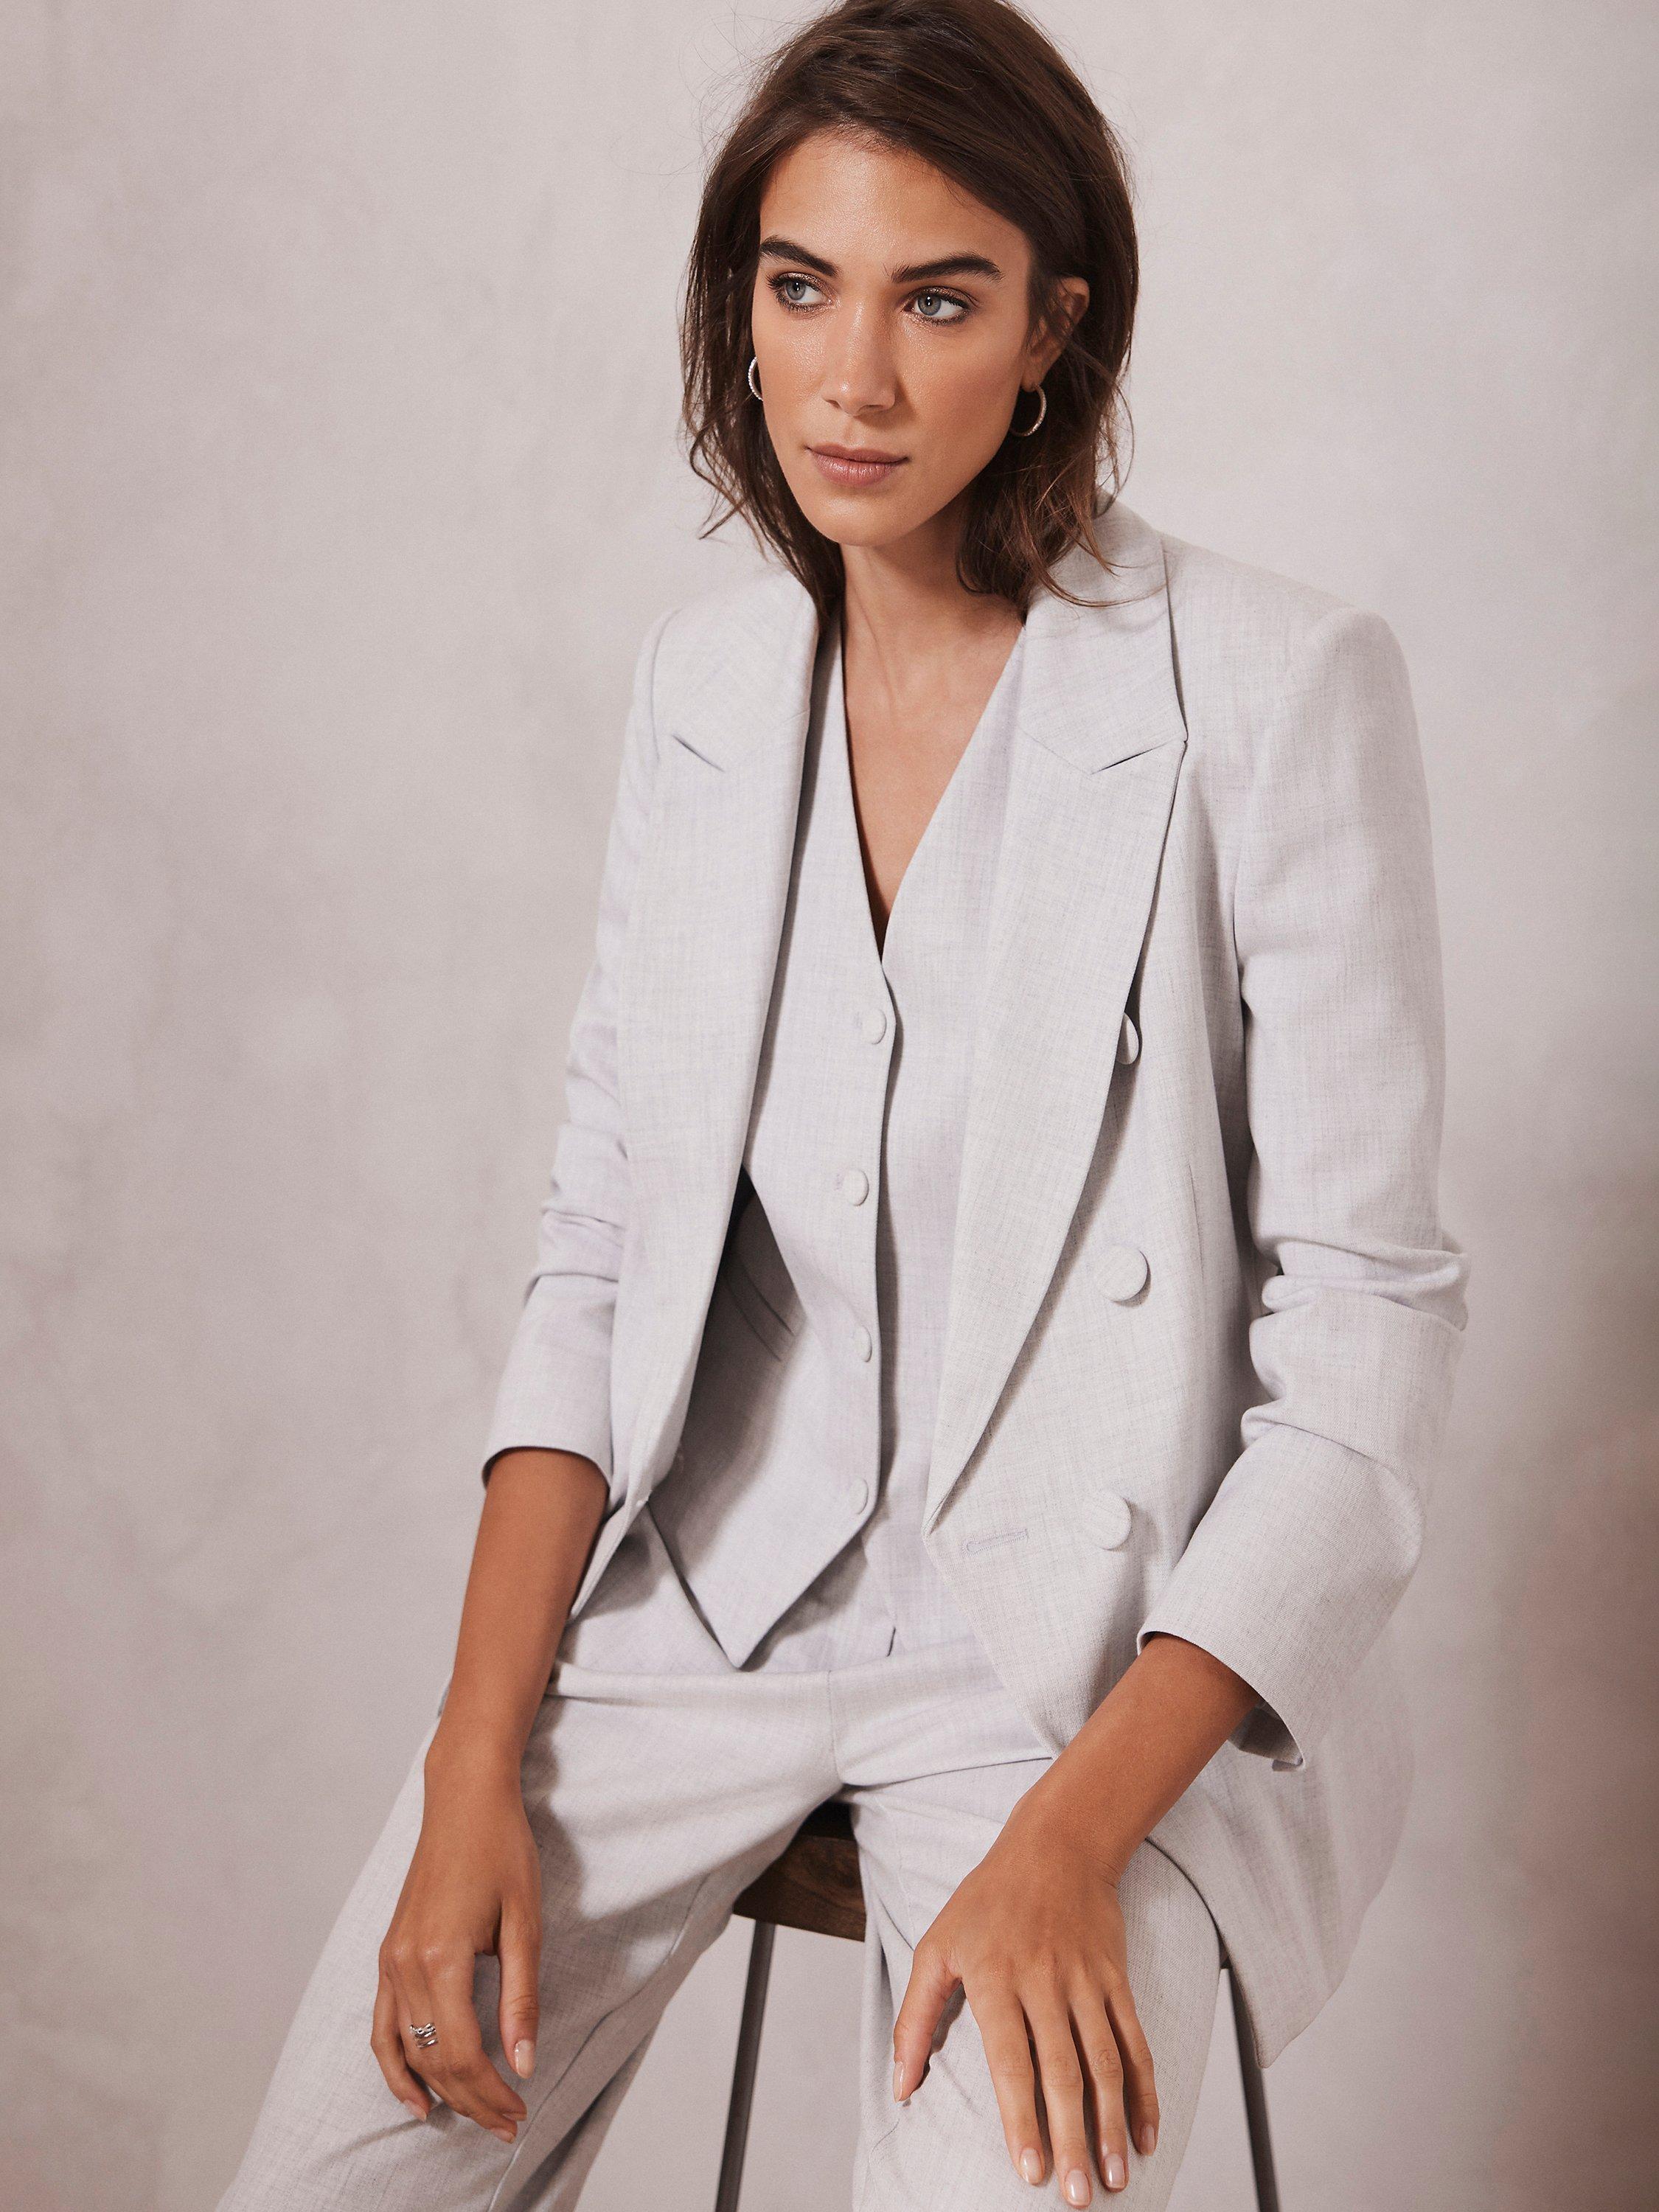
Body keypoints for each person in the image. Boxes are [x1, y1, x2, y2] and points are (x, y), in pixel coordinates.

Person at [216, 1, 1471, 2205]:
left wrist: (1074, 1840)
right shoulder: (706, 688)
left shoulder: (1272, 687)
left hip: (1080, 1672)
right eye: (801, 286)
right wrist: (471, 1763)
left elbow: (1366, 1347)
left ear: (1055, 329)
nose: (854, 379)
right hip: (699, 1615)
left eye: (940, 299)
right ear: (743, 304)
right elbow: (602, 1249)